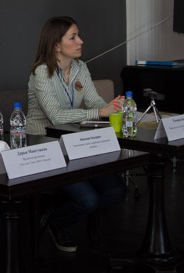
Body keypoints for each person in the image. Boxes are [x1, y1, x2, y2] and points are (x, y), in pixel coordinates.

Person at [25, 16, 127, 253]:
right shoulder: (41, 72)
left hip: (73, 144)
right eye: (73, 37)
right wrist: (100, 112)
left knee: (117, 192)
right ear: (56, 45)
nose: (81, 41)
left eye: (78, 35)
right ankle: (57, 223)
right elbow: (55, 116)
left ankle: (58, 207)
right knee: (88, 199)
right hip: (45, 146)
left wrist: (113, 108)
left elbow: (95, 103)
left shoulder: (81, 68)